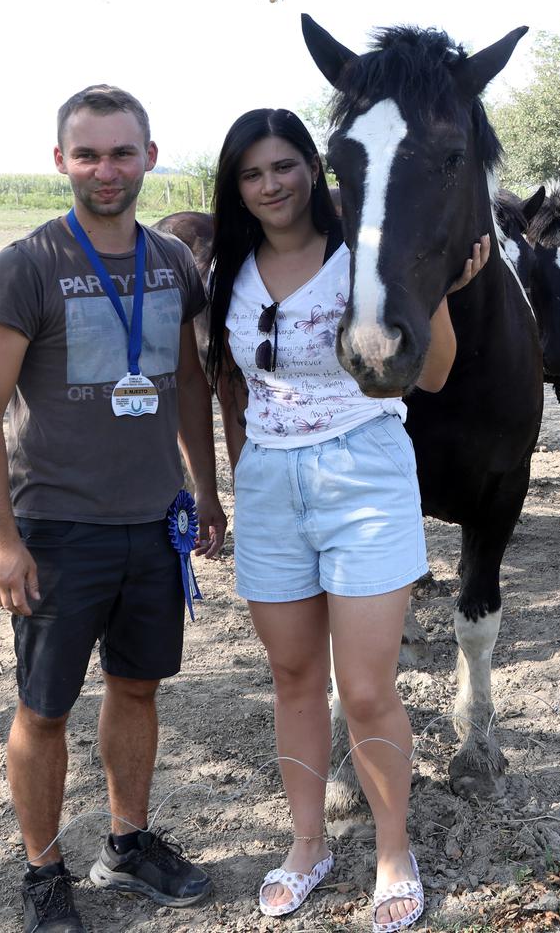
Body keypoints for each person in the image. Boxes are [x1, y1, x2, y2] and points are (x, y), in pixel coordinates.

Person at [205, 108, 487, 930]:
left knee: (364, 690)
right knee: (293, 681)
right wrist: (220, 482)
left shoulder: (362, 257)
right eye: (253, 173)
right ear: (236, 185)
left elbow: (432, 377)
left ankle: (393, 849)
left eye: (285, 166)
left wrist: (438, 293)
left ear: (317, 170)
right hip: (268, 487)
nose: (270, 186)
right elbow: (220, 382)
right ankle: (306, 843)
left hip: (362, 476)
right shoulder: (229, 267)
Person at [0, 85, 227, 932]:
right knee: (43, 709)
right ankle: (44, 874)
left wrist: (207, 493)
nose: (104, 170)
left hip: (154, 526)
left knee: (137, 688)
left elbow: (189, 383)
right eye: (88, 154)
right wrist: (2, 541)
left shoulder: (172, 261)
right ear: (61, 161)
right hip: (57, 530)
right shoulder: (25, 265)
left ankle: (128, 842)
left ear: (150, 157)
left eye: (121, 152)